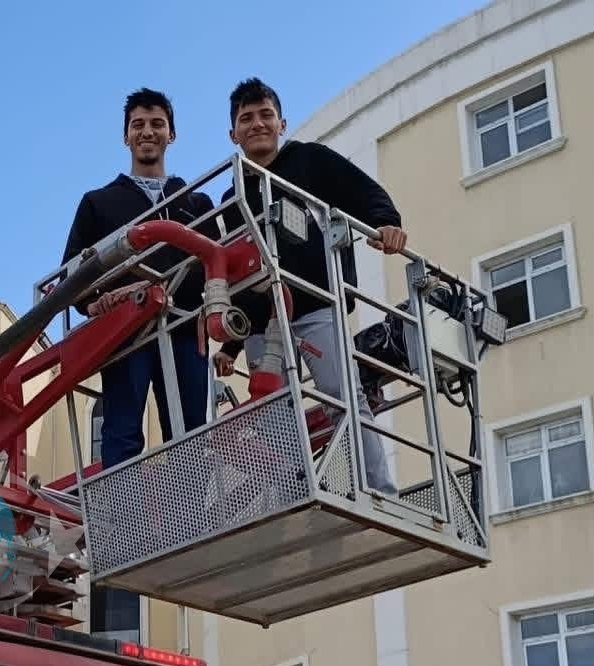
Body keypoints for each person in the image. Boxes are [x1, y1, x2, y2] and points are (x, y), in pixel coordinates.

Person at [213, 77, 405, 496]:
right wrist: (229, 345)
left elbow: (362, 191)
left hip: (314, 303)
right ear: (233, 134)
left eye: (266, 115)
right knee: (273, 410)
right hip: (263, 321)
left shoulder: (309, 162)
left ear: (282, 123)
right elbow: (234, 268)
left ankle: (378, 491)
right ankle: (290, 494)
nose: (257, 124)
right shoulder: (232, 197)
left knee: (342, 394)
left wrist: (385, 222)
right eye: (247, 118)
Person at [61, 87, 221, 471]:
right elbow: (72, 274)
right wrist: (95, 302)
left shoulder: (196, 202)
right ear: (126, 136)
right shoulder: (98, 202)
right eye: (138, 125)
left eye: (157, 124)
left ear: (172, 134)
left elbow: (217, 262)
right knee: (122, 430)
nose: (147, 132)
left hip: (184, 327)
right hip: (124, 331)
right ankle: (120, 525)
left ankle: (192, 521)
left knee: (190, 431)